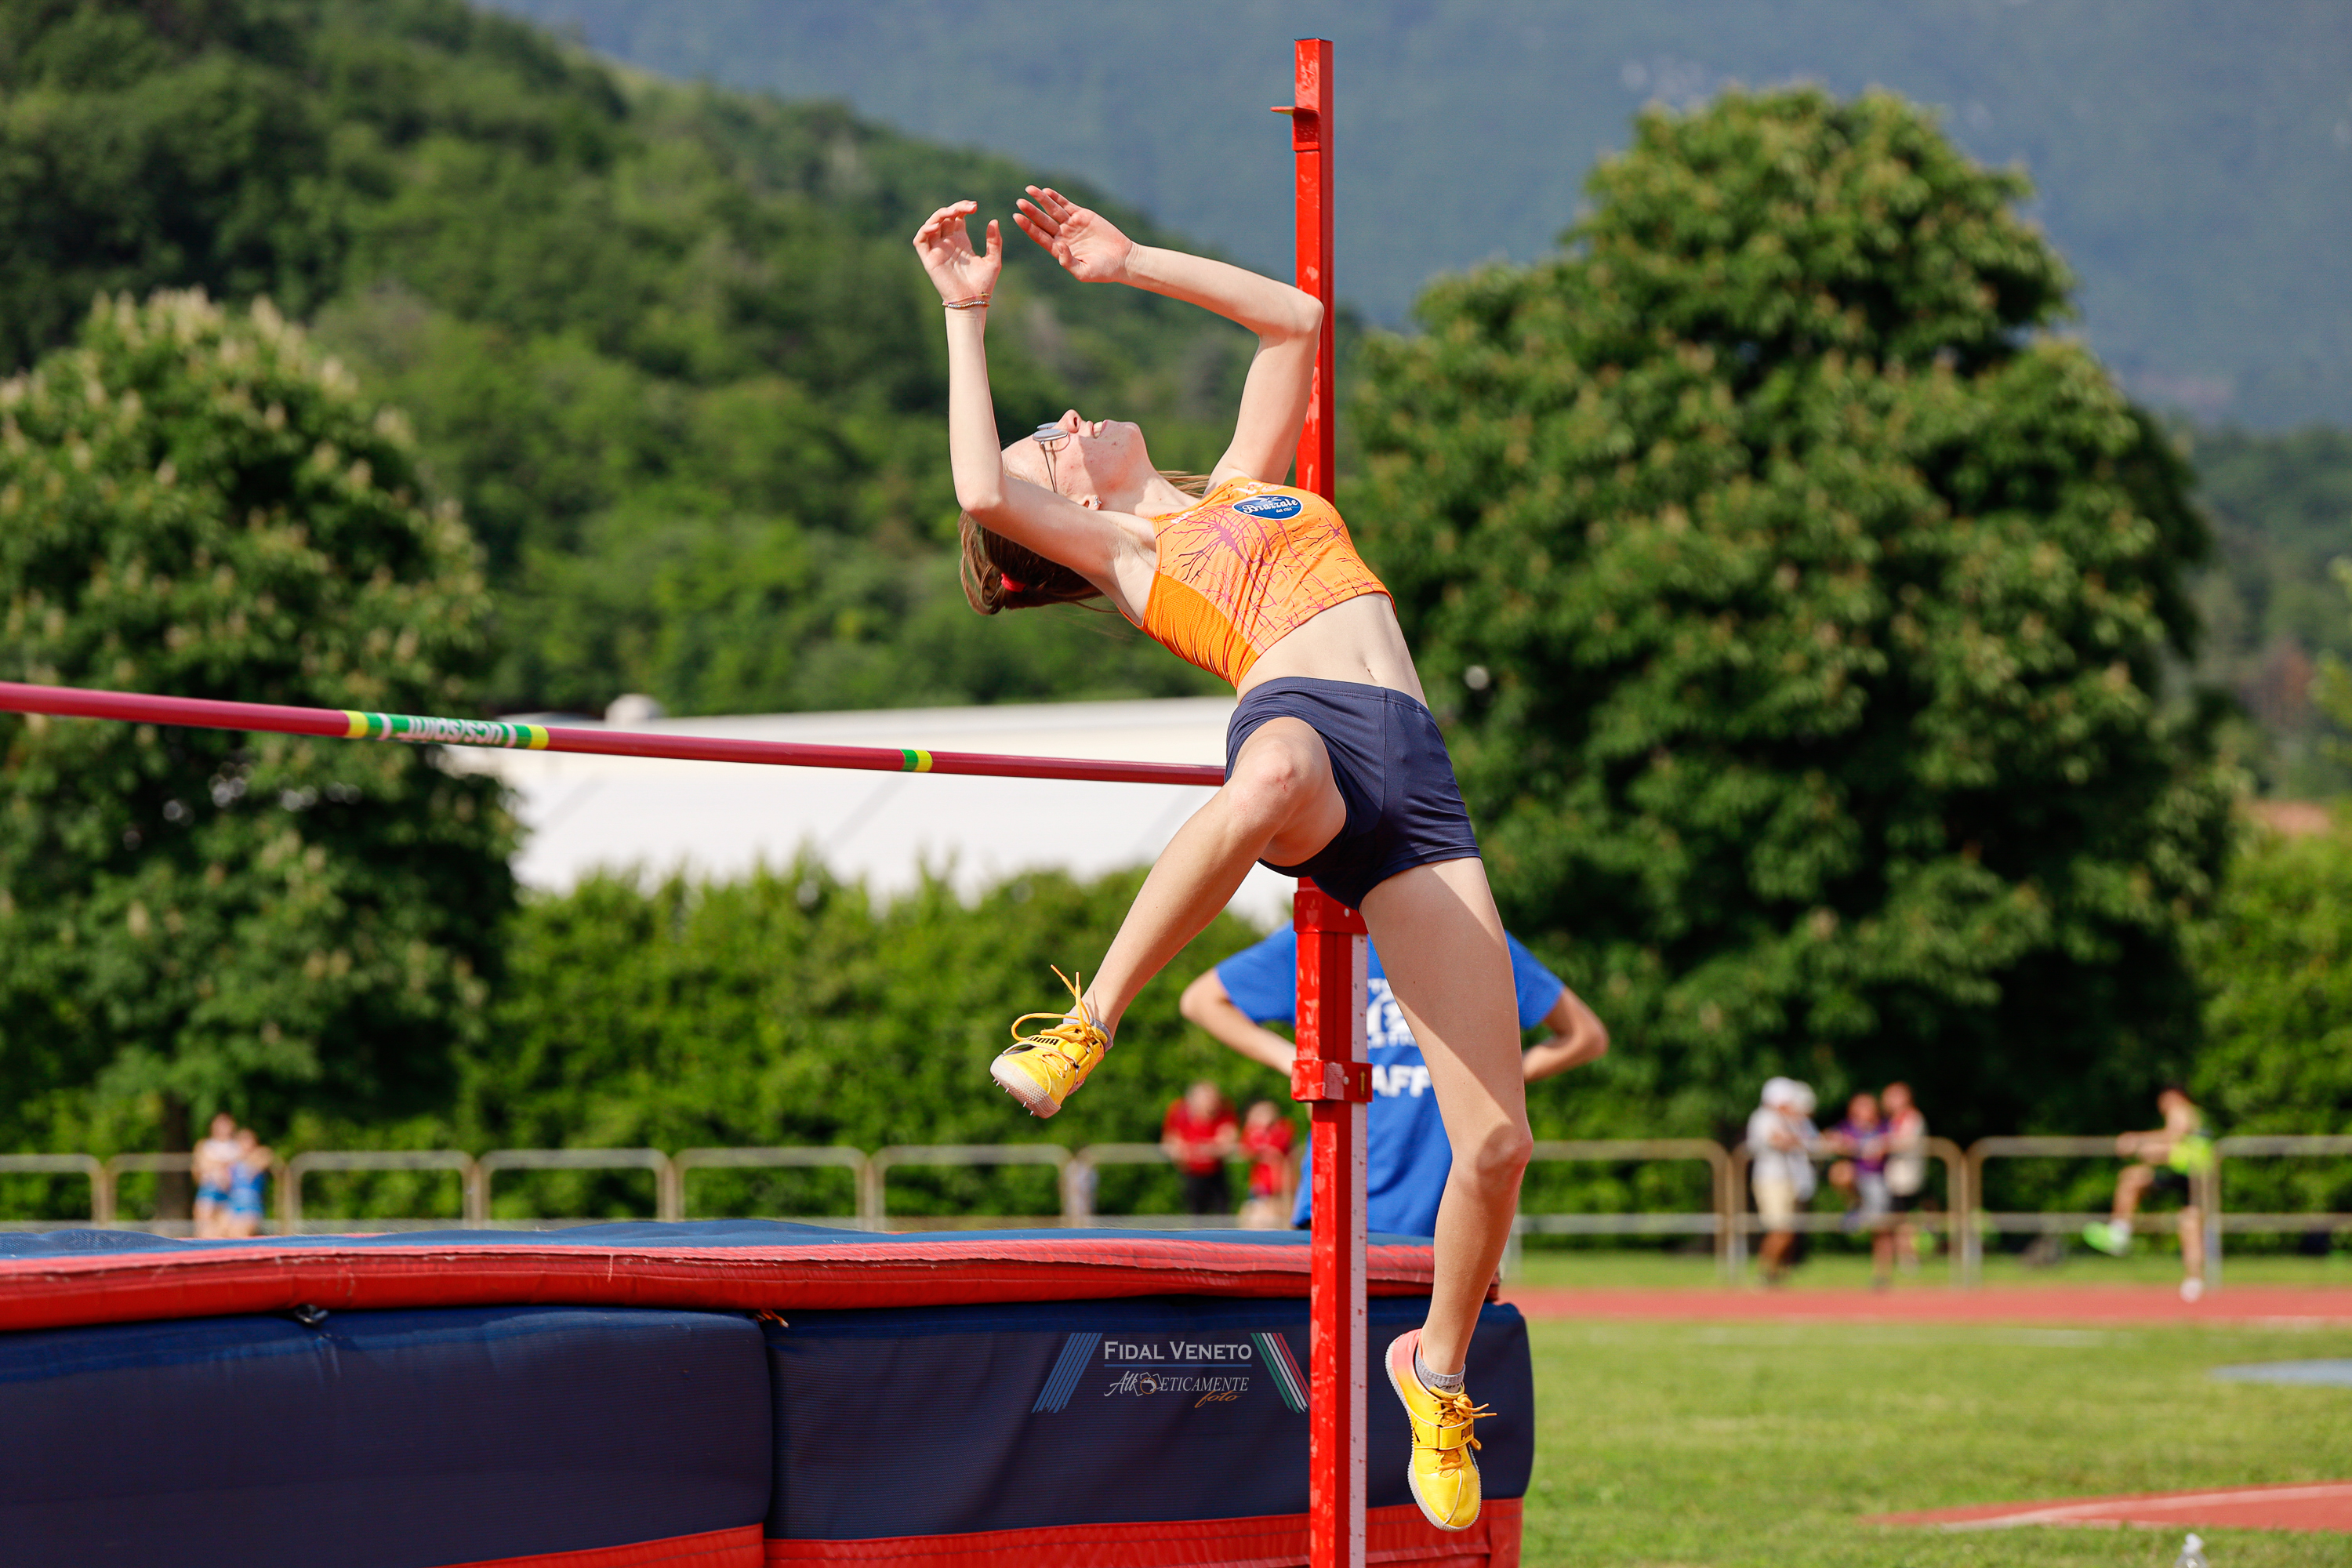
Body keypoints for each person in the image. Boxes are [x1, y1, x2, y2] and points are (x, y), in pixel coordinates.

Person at [914, 185, 1528, 1530]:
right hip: (1304, 728)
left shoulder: (1248, 484)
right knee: (1276, 776)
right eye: (1052, 442)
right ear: (1063, 511)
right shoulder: (1132, 553)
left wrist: (1129, 261)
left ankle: (1434, 1372)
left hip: (1417, 786)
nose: (1069, 421)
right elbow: (978, 490)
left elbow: (1294, 320)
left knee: (1495, 1144)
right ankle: (1088, 1021)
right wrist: (968, 318)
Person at [1179, 929, 1607, 1238]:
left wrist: (1492, 1078)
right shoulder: (1320, 936)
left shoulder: (1476, 936)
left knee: (1426, 1343)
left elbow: (1585, 1036)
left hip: (1443, 1208)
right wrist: (1296, 1065)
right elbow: (1202, 1000)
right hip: (1336, 1194)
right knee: (1328, 1338)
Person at [2083, 1086, 2212, 1301]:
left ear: (2177, 1096)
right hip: (2180, 1173)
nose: (2162, 1105)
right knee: (2133, 1179)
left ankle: (2194, 1279)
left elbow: (2174, 1136)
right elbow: (2173, 1143)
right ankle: (2120, 1233)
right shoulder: (2192, 1117)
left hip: (2192, 1176)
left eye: (2165, 1099)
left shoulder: (2182, 1110)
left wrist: (2138, 1141)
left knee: (2189, 1225)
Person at [1748, 1078, 1818, 1287]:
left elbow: (1812, 1140)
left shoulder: (1792, 1120)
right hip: (1771, 1180)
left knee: (1789, 1231)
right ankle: (1764, 1273)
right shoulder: (1763, 1117)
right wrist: (1797, 1138)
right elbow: (1779, 1140)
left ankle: (1778, 1275)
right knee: (1781, 1230)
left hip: (1792, 1179)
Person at [1823, 1092, 1894, 1290]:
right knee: (1840, 1171)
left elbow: (1892, 1142)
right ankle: (1855, 1204)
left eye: (1866, 1106)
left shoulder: (1884, 1126)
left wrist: (1880, 1146)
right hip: (1859, 1181)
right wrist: (1840, 1143)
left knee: (1881, 1230)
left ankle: (1882, 1275)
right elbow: (1827, 1137)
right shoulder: (1847, 1127)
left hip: (1879, 1182)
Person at [1161, 1080, 1240, 1216]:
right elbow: (1170, 1143)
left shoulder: (1224, 1111)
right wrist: (1184, 1154)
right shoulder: (1179, 1112)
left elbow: (1229, 1139)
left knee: (1223, 1211)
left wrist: (1208, 1150)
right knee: (1196, 1213)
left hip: (1216, 1170)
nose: (1212, 1103)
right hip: (1191, 1171)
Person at [1881, 1082, 1929, 1272]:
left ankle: (1908, 1257)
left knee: (1904, 1219)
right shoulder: (1895, 1119)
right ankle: (1904, 1257)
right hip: (1897, 1177)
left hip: (1906, 1177)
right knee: (1899, 1218)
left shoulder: (1912, 1118)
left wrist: (1881, 1146)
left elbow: (1903, 1142)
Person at [1236, 1100, 1298, 1229]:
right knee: (1254, 1215)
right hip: (1261, 1183)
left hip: (1282, 1183)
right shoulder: (1253, 1132)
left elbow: (1277, 1152)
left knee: (1282, 1215)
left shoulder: (1282, 1128)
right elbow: (1246, 1150)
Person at [191, 1112, 240, 1240]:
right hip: (209, 1190)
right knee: (204, 1229)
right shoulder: (205, 1145)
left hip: (230, 1192)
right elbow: (200, 1166)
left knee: (225, 1231)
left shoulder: (237, 1146)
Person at [221, 1126, 274, 1239]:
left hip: (251, 1207)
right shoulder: (233, 1165)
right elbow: (225, 1184)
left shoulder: (261, 1156)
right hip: (233, 1206)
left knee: (239, 1233)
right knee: (216, 1231)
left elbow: (261, 1162)